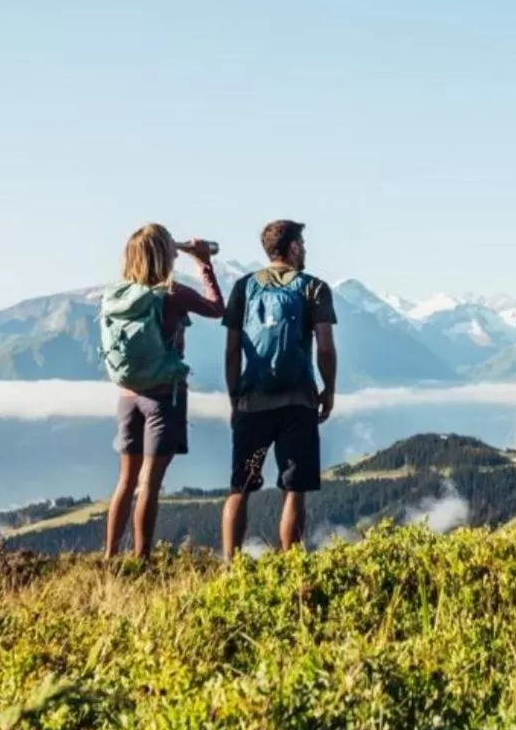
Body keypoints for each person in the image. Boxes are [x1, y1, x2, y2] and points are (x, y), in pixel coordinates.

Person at [101, 225, 224, 559]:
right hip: (163, 397)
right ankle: (142, 560)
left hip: (127, 396)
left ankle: (110, 556)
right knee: (149, 485)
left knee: (125, 482)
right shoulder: (172, 293)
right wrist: (203, 263)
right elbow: (217, 309)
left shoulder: (118, 297)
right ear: (163, 254)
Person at [222, 219, 338, 557]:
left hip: (251, 401)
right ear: (294, 248)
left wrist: (234, 397)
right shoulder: (313, 288)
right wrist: (328, 390)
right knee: (293, 490)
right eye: (302, 242)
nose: (305, 249)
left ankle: (231, 566)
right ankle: (291, 567)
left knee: (239, 487)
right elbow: (326, 347)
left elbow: (231, 350)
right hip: (297, 402)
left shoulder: (244, 287)